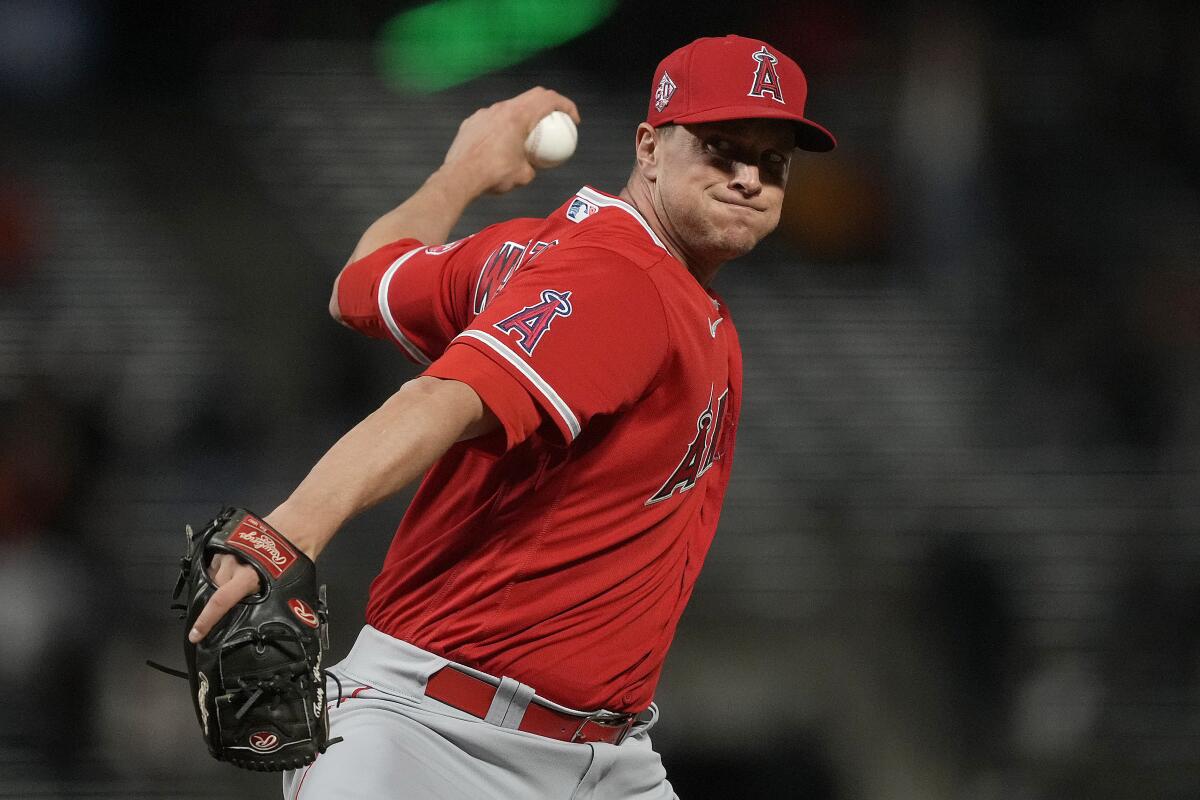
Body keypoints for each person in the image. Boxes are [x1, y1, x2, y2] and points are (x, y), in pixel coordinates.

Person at [190, 34, 835, 799]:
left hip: (609, 758)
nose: (748, 179)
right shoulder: (619, 280)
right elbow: (436, 400)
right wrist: (288, 531)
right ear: (650, 146)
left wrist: (460, 172)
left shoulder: (534, 250)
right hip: (433, 742)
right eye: (722, 148)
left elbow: (364, 280)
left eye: (772, 162)